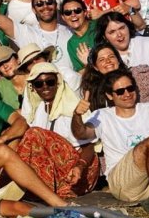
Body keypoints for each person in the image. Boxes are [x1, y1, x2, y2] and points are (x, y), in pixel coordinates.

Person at [71, 70, 149, 217]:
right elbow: (81, 133)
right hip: (124, 184)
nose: (127, 94)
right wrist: (77, 115)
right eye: (120, 91)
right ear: (110, 95)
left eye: (130, 88)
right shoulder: (102, 115)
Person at [19, 62, 100, 197]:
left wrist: (79, 167)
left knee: (33, 134)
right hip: (59, 169)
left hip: (81, 170)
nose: (45, 87)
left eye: (50, 82)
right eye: (39, 84)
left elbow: (90, 146)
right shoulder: (40, 109)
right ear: (33, 88)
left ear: (58, 82)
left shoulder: (72, 106)